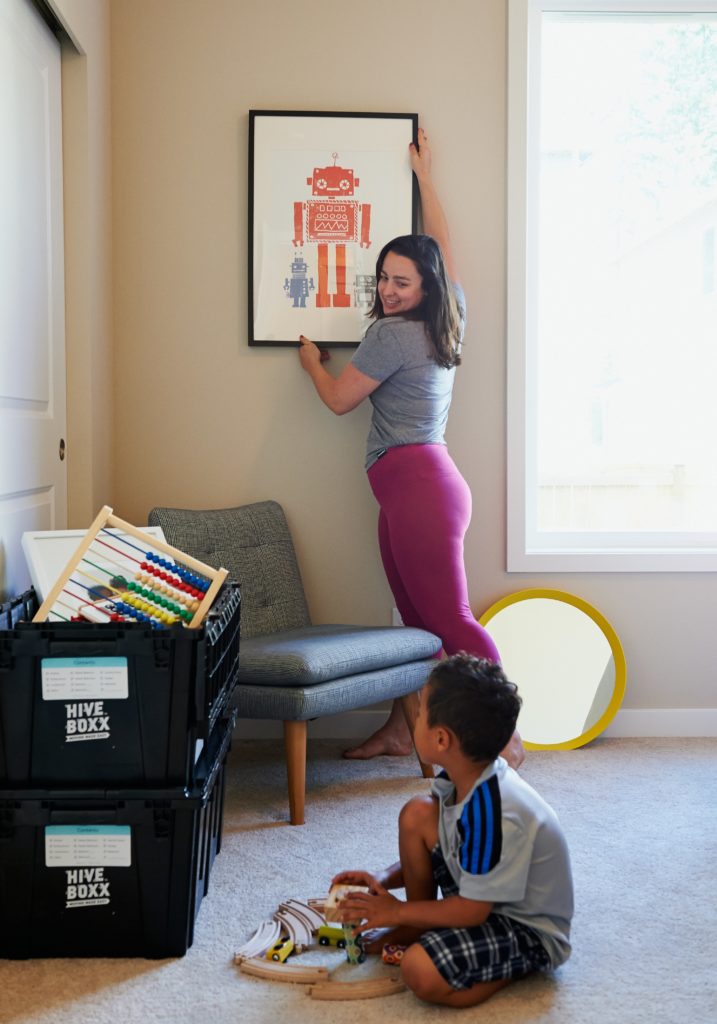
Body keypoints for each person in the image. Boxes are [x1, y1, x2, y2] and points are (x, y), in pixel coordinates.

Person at [298, 127, 523, 767]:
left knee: (449, 621)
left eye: (402, 281)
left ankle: (506, 735)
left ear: (422, 286)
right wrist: (425, 177)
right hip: (417, 490)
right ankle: (405, 730)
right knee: (415, 626)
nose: (390, 291)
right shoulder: (449, 305)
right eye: (384, 279)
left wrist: (313, 363)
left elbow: (341, 399)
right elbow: (445, 248)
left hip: (419, 489)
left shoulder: (393, 336)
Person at [331, 654, 573, 1009]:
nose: (415, 717)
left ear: (441, 739)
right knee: (417, 813)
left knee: (420, 970)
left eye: (420, 713)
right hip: (485, 894)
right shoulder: (462, 776)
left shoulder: (492, 812)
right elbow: (445, 841)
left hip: (524, 927)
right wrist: (383, 878)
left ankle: (513, 968)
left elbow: (472, 912)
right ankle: (421, 921)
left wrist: (395, 913)